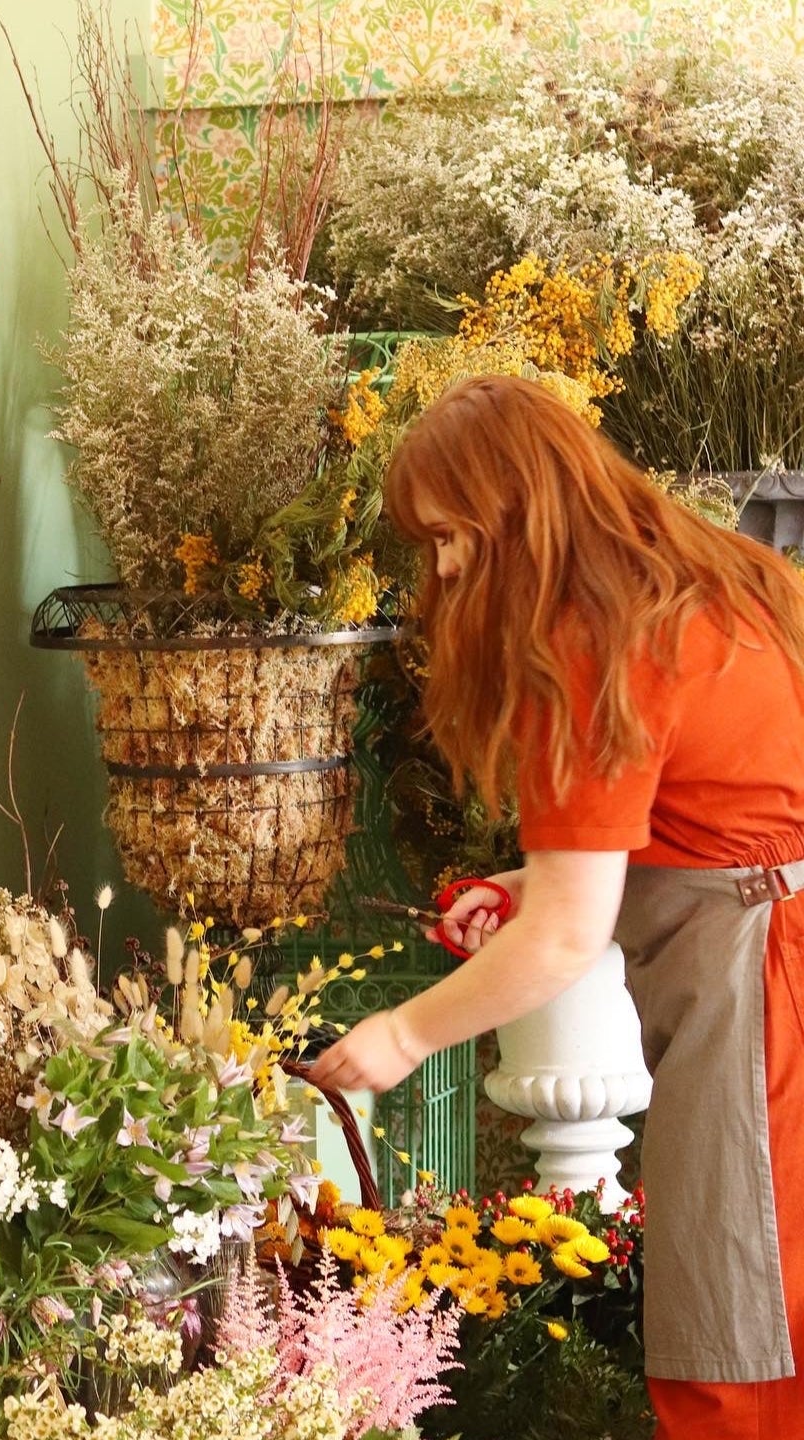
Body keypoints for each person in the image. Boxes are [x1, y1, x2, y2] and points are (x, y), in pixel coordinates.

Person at [307, 373, 804, 1437]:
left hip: (764, 1002)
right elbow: (716, 828)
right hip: (775, 948)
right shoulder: (715, 582)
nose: (440, 566)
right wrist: (525, 886)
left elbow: (573, 931)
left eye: (453, 535)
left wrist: (402, 1035)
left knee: (741, 1345)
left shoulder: (593, 644)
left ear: (522, 507)